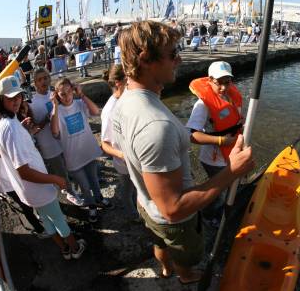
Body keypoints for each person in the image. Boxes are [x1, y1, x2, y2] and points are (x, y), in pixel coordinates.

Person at [112, 21, 254, 284]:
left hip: (145, 204)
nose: (179, 60)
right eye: (172, 54)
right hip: (172, 220)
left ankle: (166, 270)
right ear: (145, 59)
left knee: (160, 243)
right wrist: (233, 170)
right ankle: (186, 276)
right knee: (185, 252)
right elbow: (173, 209)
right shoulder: (157, 126)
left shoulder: (122, 103)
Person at [0, 76, 86, 260]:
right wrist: (56, 179)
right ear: (0, 100)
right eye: (10, 98)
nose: (16, 101)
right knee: (58, 219)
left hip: (28, 191)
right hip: (37, 187)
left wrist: (23, 130)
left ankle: (64, 250)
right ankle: (75, 248)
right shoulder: (10, 128)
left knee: (47, 222)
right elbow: (24, 171)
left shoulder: (4, 124)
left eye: (18, 96)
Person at [186, 61, 243, 250]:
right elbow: (191, 135)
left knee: (228, 186)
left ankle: (217, 209)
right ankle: (209, 216)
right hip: (213, 158)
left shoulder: (230, 96)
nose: (224, 87)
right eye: (220, 82)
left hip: (230, 153)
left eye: (228, 82)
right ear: (210, 80)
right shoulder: (203, 105)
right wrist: (220, 142)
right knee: (217, 191)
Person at [50, 78, 112, 223]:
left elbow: (96, 111)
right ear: (57, 95)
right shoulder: (56, 112)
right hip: (73, 156)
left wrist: (82, 95)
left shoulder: (79, 104)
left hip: (88, 151)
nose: (66, 97)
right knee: (84, 185)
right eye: (62, 94)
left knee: (94, 180)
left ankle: (99, 198)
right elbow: (54, 132)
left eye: (68, 92)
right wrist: (55, 106)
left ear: (73, 90)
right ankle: (91, 206)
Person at [29, 68, 84, 206]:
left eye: (46, 77)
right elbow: (33, 129)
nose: (44, 81)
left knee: (70, 165)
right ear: (35, 83)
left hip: (64, 139)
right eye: (40, 79)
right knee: (60, 171)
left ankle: (73, 186)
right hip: (48, 144)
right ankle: (70, 193)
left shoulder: (56, 94)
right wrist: (48, 118)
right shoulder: (32, 103)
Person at [100, 65, 138, 220]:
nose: (131, 81)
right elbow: (105, 144)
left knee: (136, 188)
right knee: (127, 191)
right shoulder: (110, 110)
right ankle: (132, 215)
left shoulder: (128, 98)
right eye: (127, 79)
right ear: (118, 82)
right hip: (124, 162)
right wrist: (123, 155)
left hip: (135, 159)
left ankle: (137, 208)